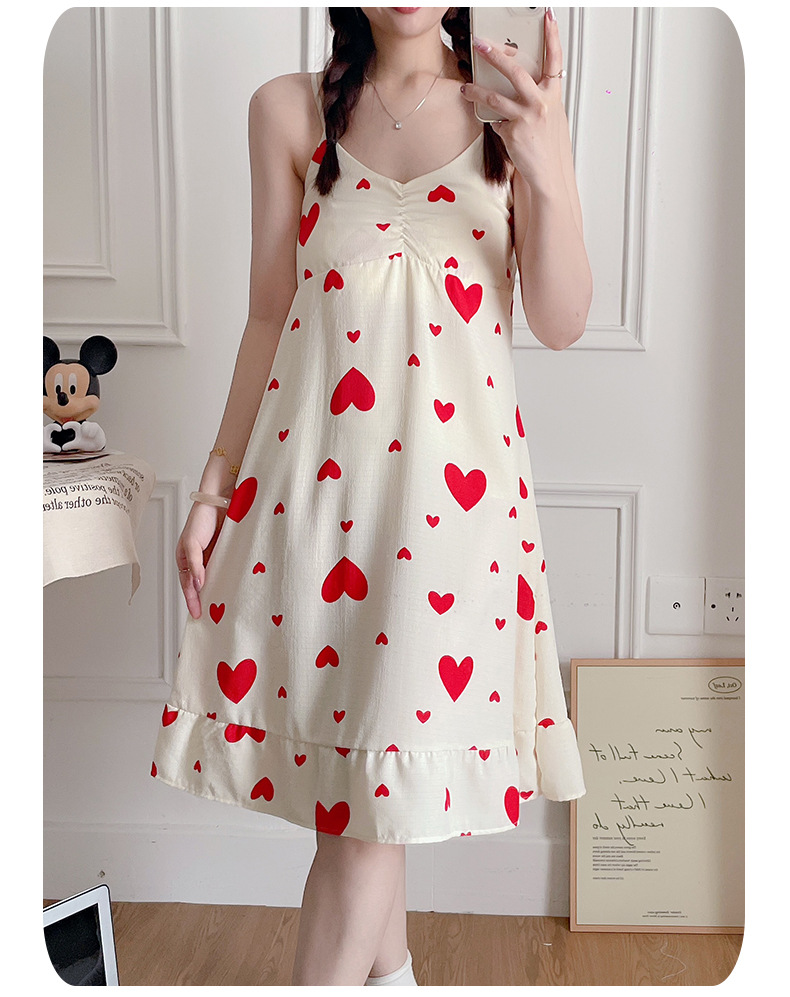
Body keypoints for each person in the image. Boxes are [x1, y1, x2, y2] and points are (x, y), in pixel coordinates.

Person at [153, 6, 592, 987]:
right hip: (312, 510)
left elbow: (562, 320)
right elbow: (268, 316)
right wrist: (216, 485)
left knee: (363, 824)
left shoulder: (513, 110)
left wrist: (545, 162)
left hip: (453, 528)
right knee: (355, 806)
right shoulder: (286, 111)